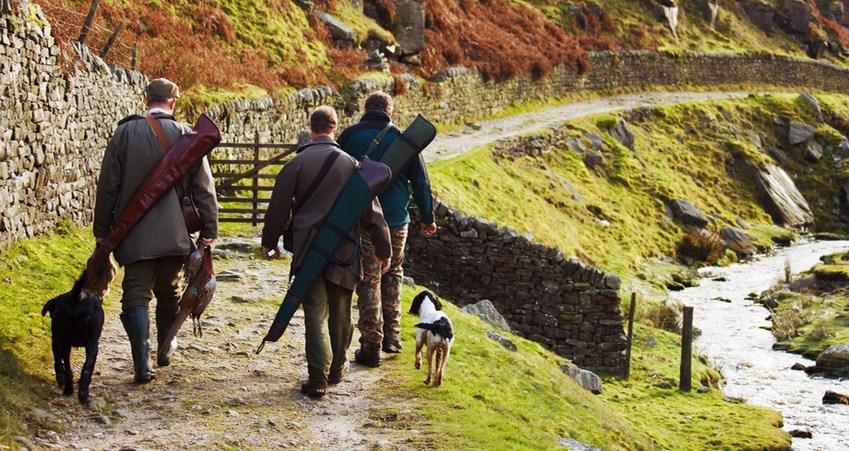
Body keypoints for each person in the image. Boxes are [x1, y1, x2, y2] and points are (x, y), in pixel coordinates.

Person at [93, 78, 218, 383]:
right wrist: (209, 231)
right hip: (175, 234)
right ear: (174, 102)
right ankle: (164, 349)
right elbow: (204, 190)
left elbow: (108, 186)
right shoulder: (188, 137)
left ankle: (142, 364)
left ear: (146, 99)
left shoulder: (124, 133)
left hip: (133, 234)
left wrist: (102, 231)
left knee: (135, 294)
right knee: (169, 290)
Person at [262, 105, 392, 397]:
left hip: (308, 250)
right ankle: (336, 369)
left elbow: (278, 209)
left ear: (312, 127)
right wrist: (384, 250)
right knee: (341, 314)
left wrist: (269, 243)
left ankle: (317, 377)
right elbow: (373, 214)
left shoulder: (296, 164)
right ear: (335, 127)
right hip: (345, 251)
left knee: (314, 314)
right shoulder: (353, 166)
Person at [338, 91, 437, 367]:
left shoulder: (349, 136)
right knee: (393, 272)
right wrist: (427, 218)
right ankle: (392, 337)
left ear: (365, 109)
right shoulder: (404, 140)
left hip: (362, 218)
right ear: (389, 111)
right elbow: (421, 183)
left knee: (369, 277)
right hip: (396, 220)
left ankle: (371, 343)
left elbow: (336, 173)